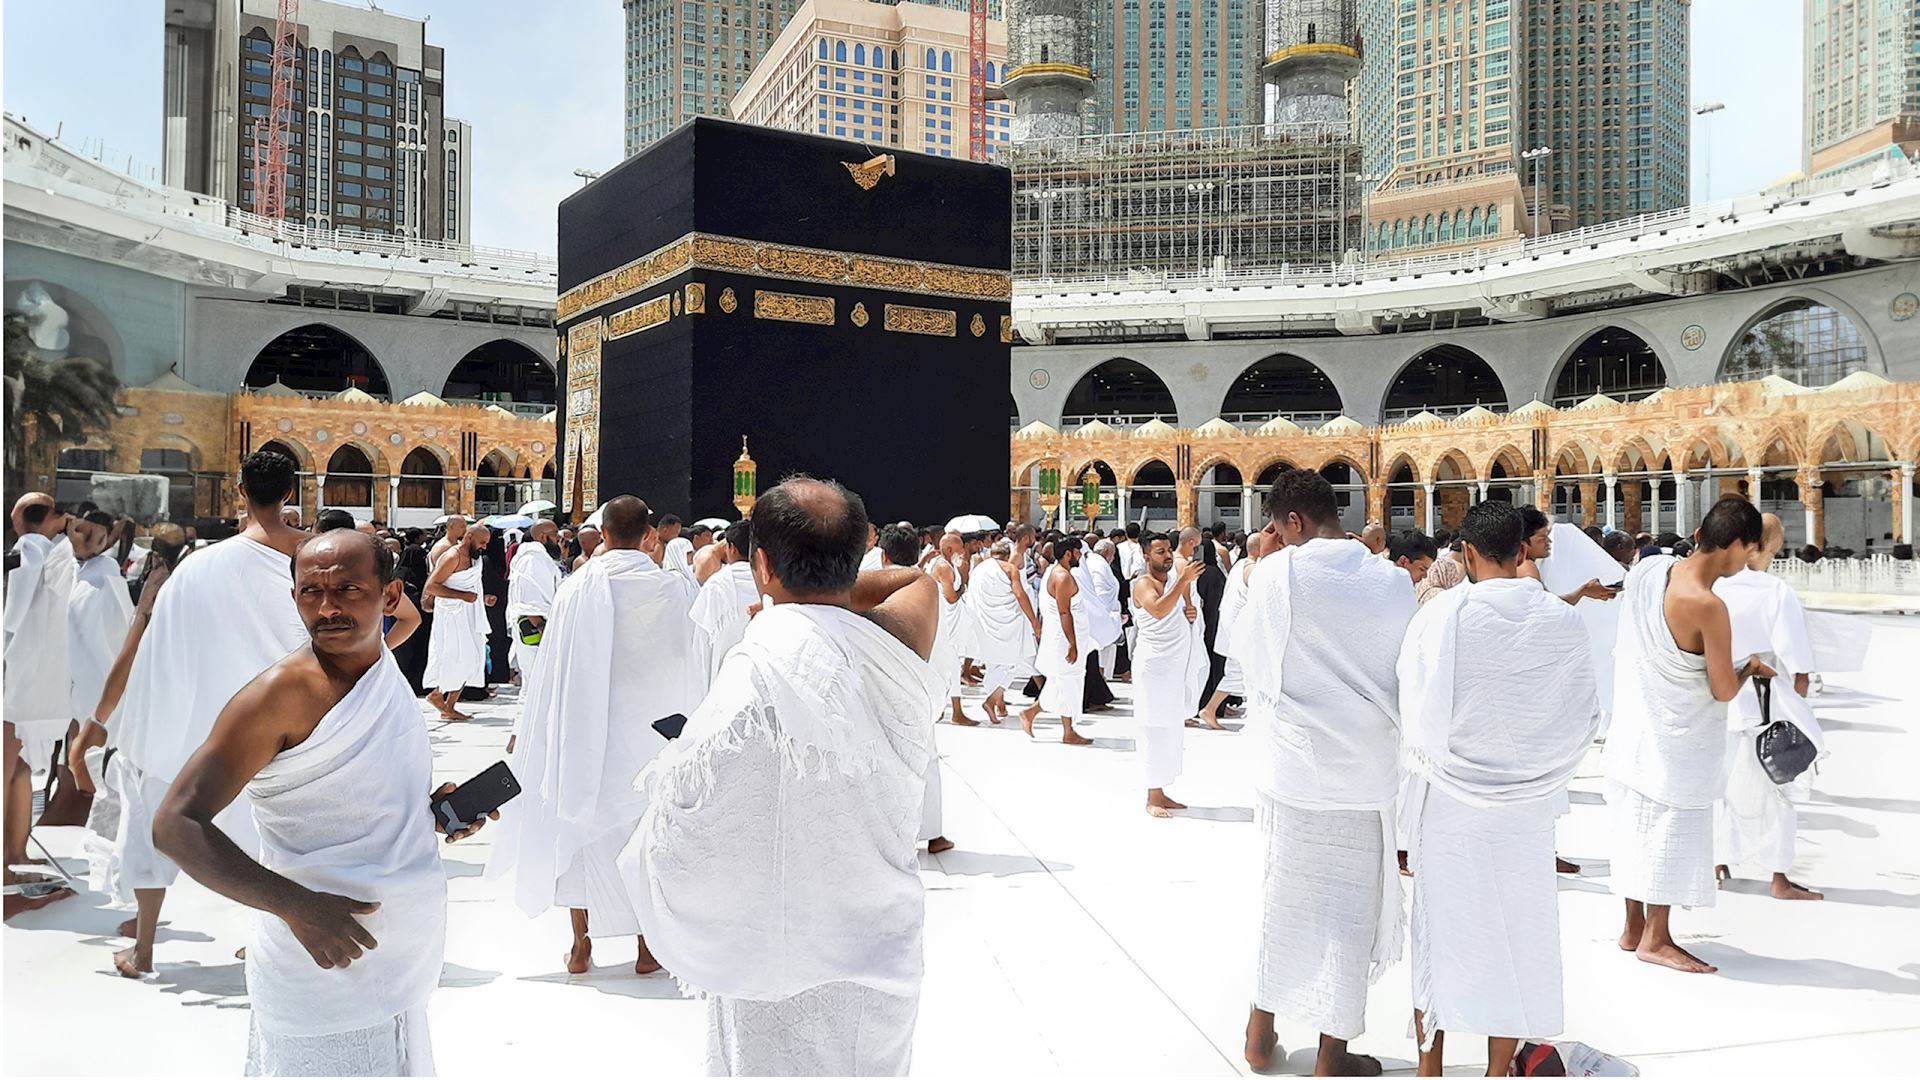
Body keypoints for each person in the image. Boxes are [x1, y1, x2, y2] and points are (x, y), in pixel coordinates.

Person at [622, 476, 941, 1077]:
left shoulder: (752, 674)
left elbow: (679, 834)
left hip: (778, 971)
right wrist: (834, 589)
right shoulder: (900, 638)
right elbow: (919, 581)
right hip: (883, 954)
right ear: (860, 552)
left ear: (761, 565)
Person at [154, 530, 490, 1076]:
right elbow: (175, 824)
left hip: (400, 959)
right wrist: (297, 907)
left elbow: (353, 794)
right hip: (319, 967)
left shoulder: (381, 668)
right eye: (311, 591)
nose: (327, 608)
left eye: (348, 589)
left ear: (389, 596)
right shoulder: (278, 696)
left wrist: (426, 812)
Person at [1396, 503, 1601, 1076]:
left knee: (1440, 935)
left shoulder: (1439, 619)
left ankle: (1429, 1069)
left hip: (1451, 806)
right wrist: (1535, 769)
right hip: (1528, 811)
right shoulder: (1560, 620)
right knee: (1517, 935)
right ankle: (1495, 1070)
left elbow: (1413, 712)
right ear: (1522, 550)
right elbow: (1584, 717)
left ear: (1466, 553)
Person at [1229, 469, 1417, 1076]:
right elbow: (1400, 671)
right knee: (1350, 913)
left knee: (1283, 900)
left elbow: (1251, 660)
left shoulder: (1276, 572)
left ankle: (1260, 1038)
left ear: (1292, 522)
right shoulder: (1390, 580)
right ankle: (1331, 1056)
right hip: (1363, 771)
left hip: (1294, 766)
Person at [102, 450, 311, 976]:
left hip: (202, 724)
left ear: (239, 491)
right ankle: (265, 937)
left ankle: (144, 949)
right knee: (277, 833)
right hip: (284, 724)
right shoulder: (313, 557)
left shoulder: (196, 567)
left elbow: (161, 652)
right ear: (291, 493)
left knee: (159, 815)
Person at [489, 496, 697, 977]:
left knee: (579, 827)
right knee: (644, 834)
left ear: (602, 533)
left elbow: (554, 671)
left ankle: (581, 946)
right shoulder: (670, 588)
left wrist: (536, 727)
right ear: (649, 535)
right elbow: (682, 660)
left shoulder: (576, 587)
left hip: (586, 729)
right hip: (647, 731)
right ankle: (648, 947)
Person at [1601, 496, 1771, 975]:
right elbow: (1720, 690)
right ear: (1736, 545)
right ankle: (1656, 937)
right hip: (1676, 739)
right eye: (1750, 550)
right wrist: (1750, 667)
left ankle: (1632, 926)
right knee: (1668, 833)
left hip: (1635, 728)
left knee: (1637, 827)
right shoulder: (1708, 605)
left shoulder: (1649, 573)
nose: (1749, 560)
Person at [1712, 513, 1824, 901]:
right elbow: (1799, 664)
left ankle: (1717, 860)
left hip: (1714, 698)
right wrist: (1797, 708)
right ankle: (1778, 877)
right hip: (1763, 701)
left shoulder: (1712, 586)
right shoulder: (1774, 591)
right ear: (1768, 547)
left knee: (1720, 783)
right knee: (1778, 788)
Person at [6, 494, 75, 868]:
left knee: (9, 768)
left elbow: (12, 619)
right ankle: (12, 854)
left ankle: (9, 858)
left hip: (16, 677)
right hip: (36, 679)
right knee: (14, 769)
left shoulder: (32, 549)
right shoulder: (60, 554)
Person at [877, 524, 954, 854]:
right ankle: (933, 834)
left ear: (883, 555)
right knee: (926, 758)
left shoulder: (869, 585)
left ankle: (887, 834)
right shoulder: (927, 587)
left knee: (881, 758)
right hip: (919, 684)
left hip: (881, 683)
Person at [1131, 534, 1206, 817]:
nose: (1167, 556)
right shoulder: (1144, 584)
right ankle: (1151, 796)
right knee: (1153, 726)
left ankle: (1161, 790)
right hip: (1153, 668)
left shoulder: (1172, 582)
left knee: (1171, 727)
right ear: (1147, 557)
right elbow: (1160, 610)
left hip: (1173, 667)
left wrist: (1189, 610)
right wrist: (1182, 582)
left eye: (1168, 550)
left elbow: (1180, 607)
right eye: (1160, 551)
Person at [1022, 535, 1093, 745]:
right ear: (1068, 554)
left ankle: (1031, 713)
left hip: (1068, 637)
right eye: (1078, 552)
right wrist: (1072, 643)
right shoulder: (1062, 577)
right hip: (1065, 639)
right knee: (1067, 683)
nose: (1080, 556)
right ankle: (1068, 731)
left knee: (1060, 684)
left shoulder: (1061, 573)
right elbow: (1064, 612)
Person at [966, 526, 1041, 725]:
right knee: (1011, 662)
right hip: (1009, 624)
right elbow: (1019, 595)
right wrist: (1034, 622)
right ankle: (991, 701)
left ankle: (998, 704)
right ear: (1007, 556)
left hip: (985, 624)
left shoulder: (980, 568)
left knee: (994, 663)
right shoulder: (1009, 568)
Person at [422, 524, 493, 721]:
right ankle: (441, 698)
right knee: (457, 657)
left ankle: (445, 702)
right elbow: (431, 586)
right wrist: (461, 596)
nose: (484, 547)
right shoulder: (452, 557)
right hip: (452, 616)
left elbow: (471, 587)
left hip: (470, 613)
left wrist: (483, 599)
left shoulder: (473, 559)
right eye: (482, 542)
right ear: (469, 537)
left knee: (473, 658)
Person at [1201, 530, 1271, 727]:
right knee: (1242, 673)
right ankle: (1211, 709)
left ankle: (1211, 709)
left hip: (1232, 627)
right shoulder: (1253, 569)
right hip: (1241, 630)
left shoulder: (1240, 565)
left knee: (1238, 672)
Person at [690, 521, 759, 693]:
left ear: (731, 548)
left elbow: (701, 641)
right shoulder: (770, 582)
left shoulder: (717, 584)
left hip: (723, 678)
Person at [506, 520, 564, 683]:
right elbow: (529, 600)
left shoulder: (540, 558)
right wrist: (540, 626)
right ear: (543, 537)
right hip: (535, 627)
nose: (558, 540)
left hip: (544, 625)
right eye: (555, 535)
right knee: (537, 680)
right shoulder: (531, 560)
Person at [926, 532, 972, 727]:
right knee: (950, 665)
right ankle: (956, 712)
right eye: (960, 548)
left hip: (948, 621)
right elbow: (951, 596)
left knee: (946, 666)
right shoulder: (943, 567)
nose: (963, 552)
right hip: (942, 622)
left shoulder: (948, 564)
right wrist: (962, 588)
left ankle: (945, 709)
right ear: (950, 549)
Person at [1191, 536, 1229, 728]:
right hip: (1215, 623)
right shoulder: (1216, 574)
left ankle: (1198, 702)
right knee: (1216, 665)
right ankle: (1216, 705)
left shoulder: (1194, 573)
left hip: (1199, 624)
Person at [658, 514, 694, 581]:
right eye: (676, 533)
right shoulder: (657, 547)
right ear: (665, 531)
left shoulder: (662, 545)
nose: (677, 536)